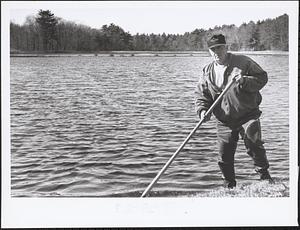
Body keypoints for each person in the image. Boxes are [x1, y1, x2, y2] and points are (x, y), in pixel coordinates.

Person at [194, 34, 273, 188]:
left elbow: (262, 78)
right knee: (224, 156)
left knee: (253, 144)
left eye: (219, 48)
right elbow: (201, 94)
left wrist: (244, 80)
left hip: (248, 115)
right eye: (213, 49)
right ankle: (229, 186)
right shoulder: (207, 71)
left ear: (226, 47)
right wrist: (203, 110)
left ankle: (265, 179)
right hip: (224, 121)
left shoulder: (243, 62)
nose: (216, 52)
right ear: (209, 52)